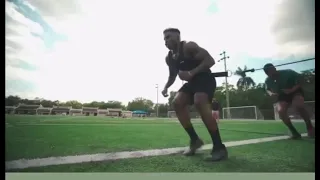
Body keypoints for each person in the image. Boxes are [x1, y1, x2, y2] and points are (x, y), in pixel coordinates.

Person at [161, 28, 228, 161]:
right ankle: (195, 140)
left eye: (168, 37)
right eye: (164, 39)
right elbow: (172, 75)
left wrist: (191, 73)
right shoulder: (169, 58)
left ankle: (219, 147)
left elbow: (210, 61)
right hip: (191, 83)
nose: (165, 41)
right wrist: (165, 87)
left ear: (177, 37)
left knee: (199, 101)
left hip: (204, 79)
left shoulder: (189, 47)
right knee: (177, 103)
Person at [263, 63, 315, 139]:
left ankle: (310, 127)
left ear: (274, 69)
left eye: (270, 72)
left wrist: (291, 90)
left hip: (295, 91)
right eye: (267, 73)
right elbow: (267, 89)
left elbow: (302, 80)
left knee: (299, 106)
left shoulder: (288, 72)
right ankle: (294, 132)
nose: (269, 75)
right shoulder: (268, 80)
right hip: (283, 95)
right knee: (281, 111)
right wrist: (271, 93)